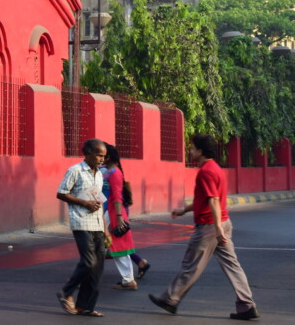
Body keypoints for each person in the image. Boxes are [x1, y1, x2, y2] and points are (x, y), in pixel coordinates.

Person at [149, 134, 260, 320]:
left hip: (209, 227)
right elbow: (203, 199)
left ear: (200, 151)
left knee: (190, 265)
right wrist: (183, 211)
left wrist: (217, 228)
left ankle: (170, 299)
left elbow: (213, 200)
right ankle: (247, 305)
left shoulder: (206, 171)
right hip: (223, 223)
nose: (190, 151)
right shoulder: (215, 168)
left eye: (192, 148)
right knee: (233, 266)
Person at [56, 138, 108, 317]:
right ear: (88, 154)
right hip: (81, 222)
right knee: (88, 262)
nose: (102, 159)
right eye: (99, 155)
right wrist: (84, 203)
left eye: (104, 156)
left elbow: (99, 200)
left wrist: (105, 229)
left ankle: (85, 306)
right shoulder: (75, 170)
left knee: (98, 267)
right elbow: (61, 193)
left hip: (97, 224)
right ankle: (66, 292)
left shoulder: (99, 174)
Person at [103, 145, 137, 290]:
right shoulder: (108, 171)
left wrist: (118, 216)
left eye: (102, 154)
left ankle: (129, 280)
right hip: (108, 212)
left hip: (113, 213)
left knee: (118, 246)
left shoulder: (115, 173)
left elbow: (117, 196)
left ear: (108, 157)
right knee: (104, 244)